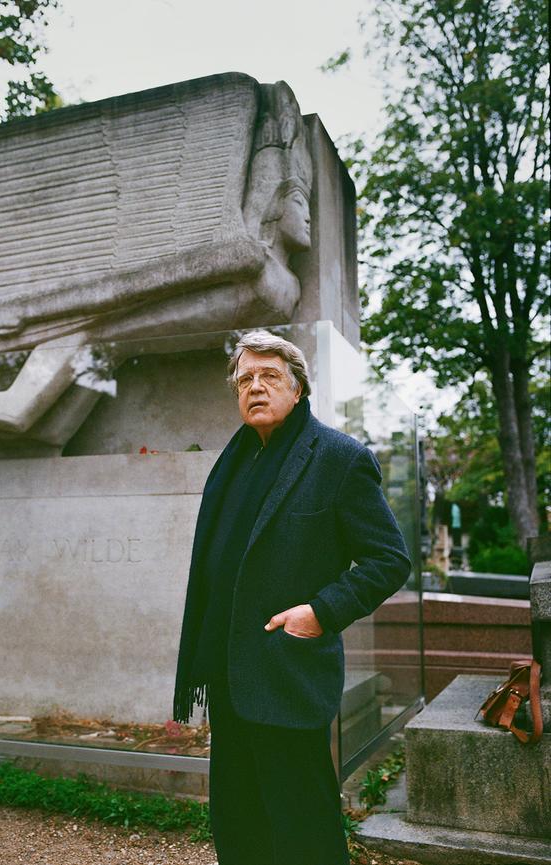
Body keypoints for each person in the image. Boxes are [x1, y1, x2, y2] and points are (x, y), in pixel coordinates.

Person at [173, 329, 411, 865]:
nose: (255, 387)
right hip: (230, 674)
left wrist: (319, 613)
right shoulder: (233, 463)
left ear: (298, 388)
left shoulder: (339, 458)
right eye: (245, 380)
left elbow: (389, 559)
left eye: (269, 376)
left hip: (288, 670)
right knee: (239, 821)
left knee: (303, 826)